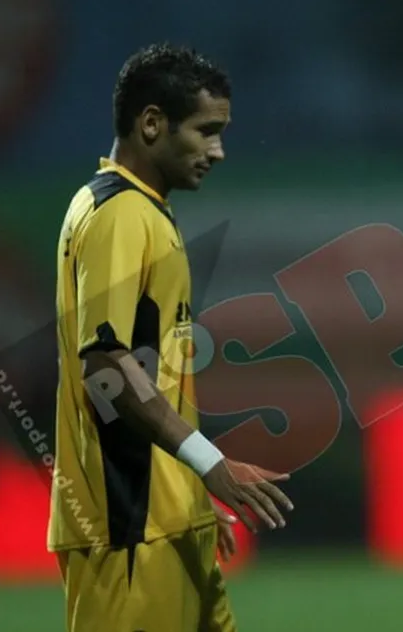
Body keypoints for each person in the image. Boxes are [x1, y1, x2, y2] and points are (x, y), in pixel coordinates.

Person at [50, 44, 294, 632]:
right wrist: (209, 464)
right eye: (206, 131)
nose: (218, 151)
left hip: (169, 517)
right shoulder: (118, 215)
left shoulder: (140, 209)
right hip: (129, 529)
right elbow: (105, 365)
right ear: (153, 123)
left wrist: (186, 490)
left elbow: (145, 368)